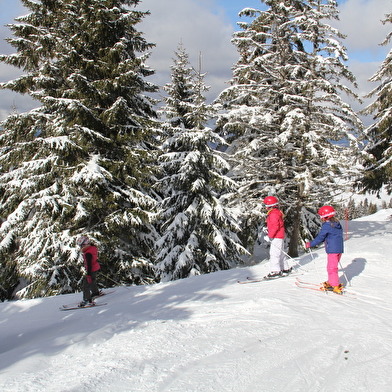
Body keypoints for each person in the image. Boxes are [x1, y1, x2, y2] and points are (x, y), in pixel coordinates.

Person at [305, 205, 344, 294]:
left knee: (331, 268)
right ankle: (331, 281)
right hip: (339, 249)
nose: (320, 218)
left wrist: (310, 244)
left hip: (332, 250)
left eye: (321, 216)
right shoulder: (337, 223)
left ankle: (334, 285)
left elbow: (320, 237)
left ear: (325, 216)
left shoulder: (327, 225)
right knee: (332, 266)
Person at [263, 196, 291, 279]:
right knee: (281, 253)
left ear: (269, 205)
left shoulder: (273, 214)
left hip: (276, 236)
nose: (265, 207)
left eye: (266, 205)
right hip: (279, 236)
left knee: (274, 253)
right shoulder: (275, 213)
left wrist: (270, 236)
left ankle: (275, 271)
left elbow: (275, 226)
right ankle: (285, 268)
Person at [77, 236, 101, 307]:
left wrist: (88, 274)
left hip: (92, 269)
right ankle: (95, 292)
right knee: (92, 281)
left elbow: (89, 264)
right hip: (96, 267)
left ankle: (87, 299)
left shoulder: (87, 253)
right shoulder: (92, 248)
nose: (80, 248)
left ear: (84, 245)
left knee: (86, 285)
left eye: (81, 246)